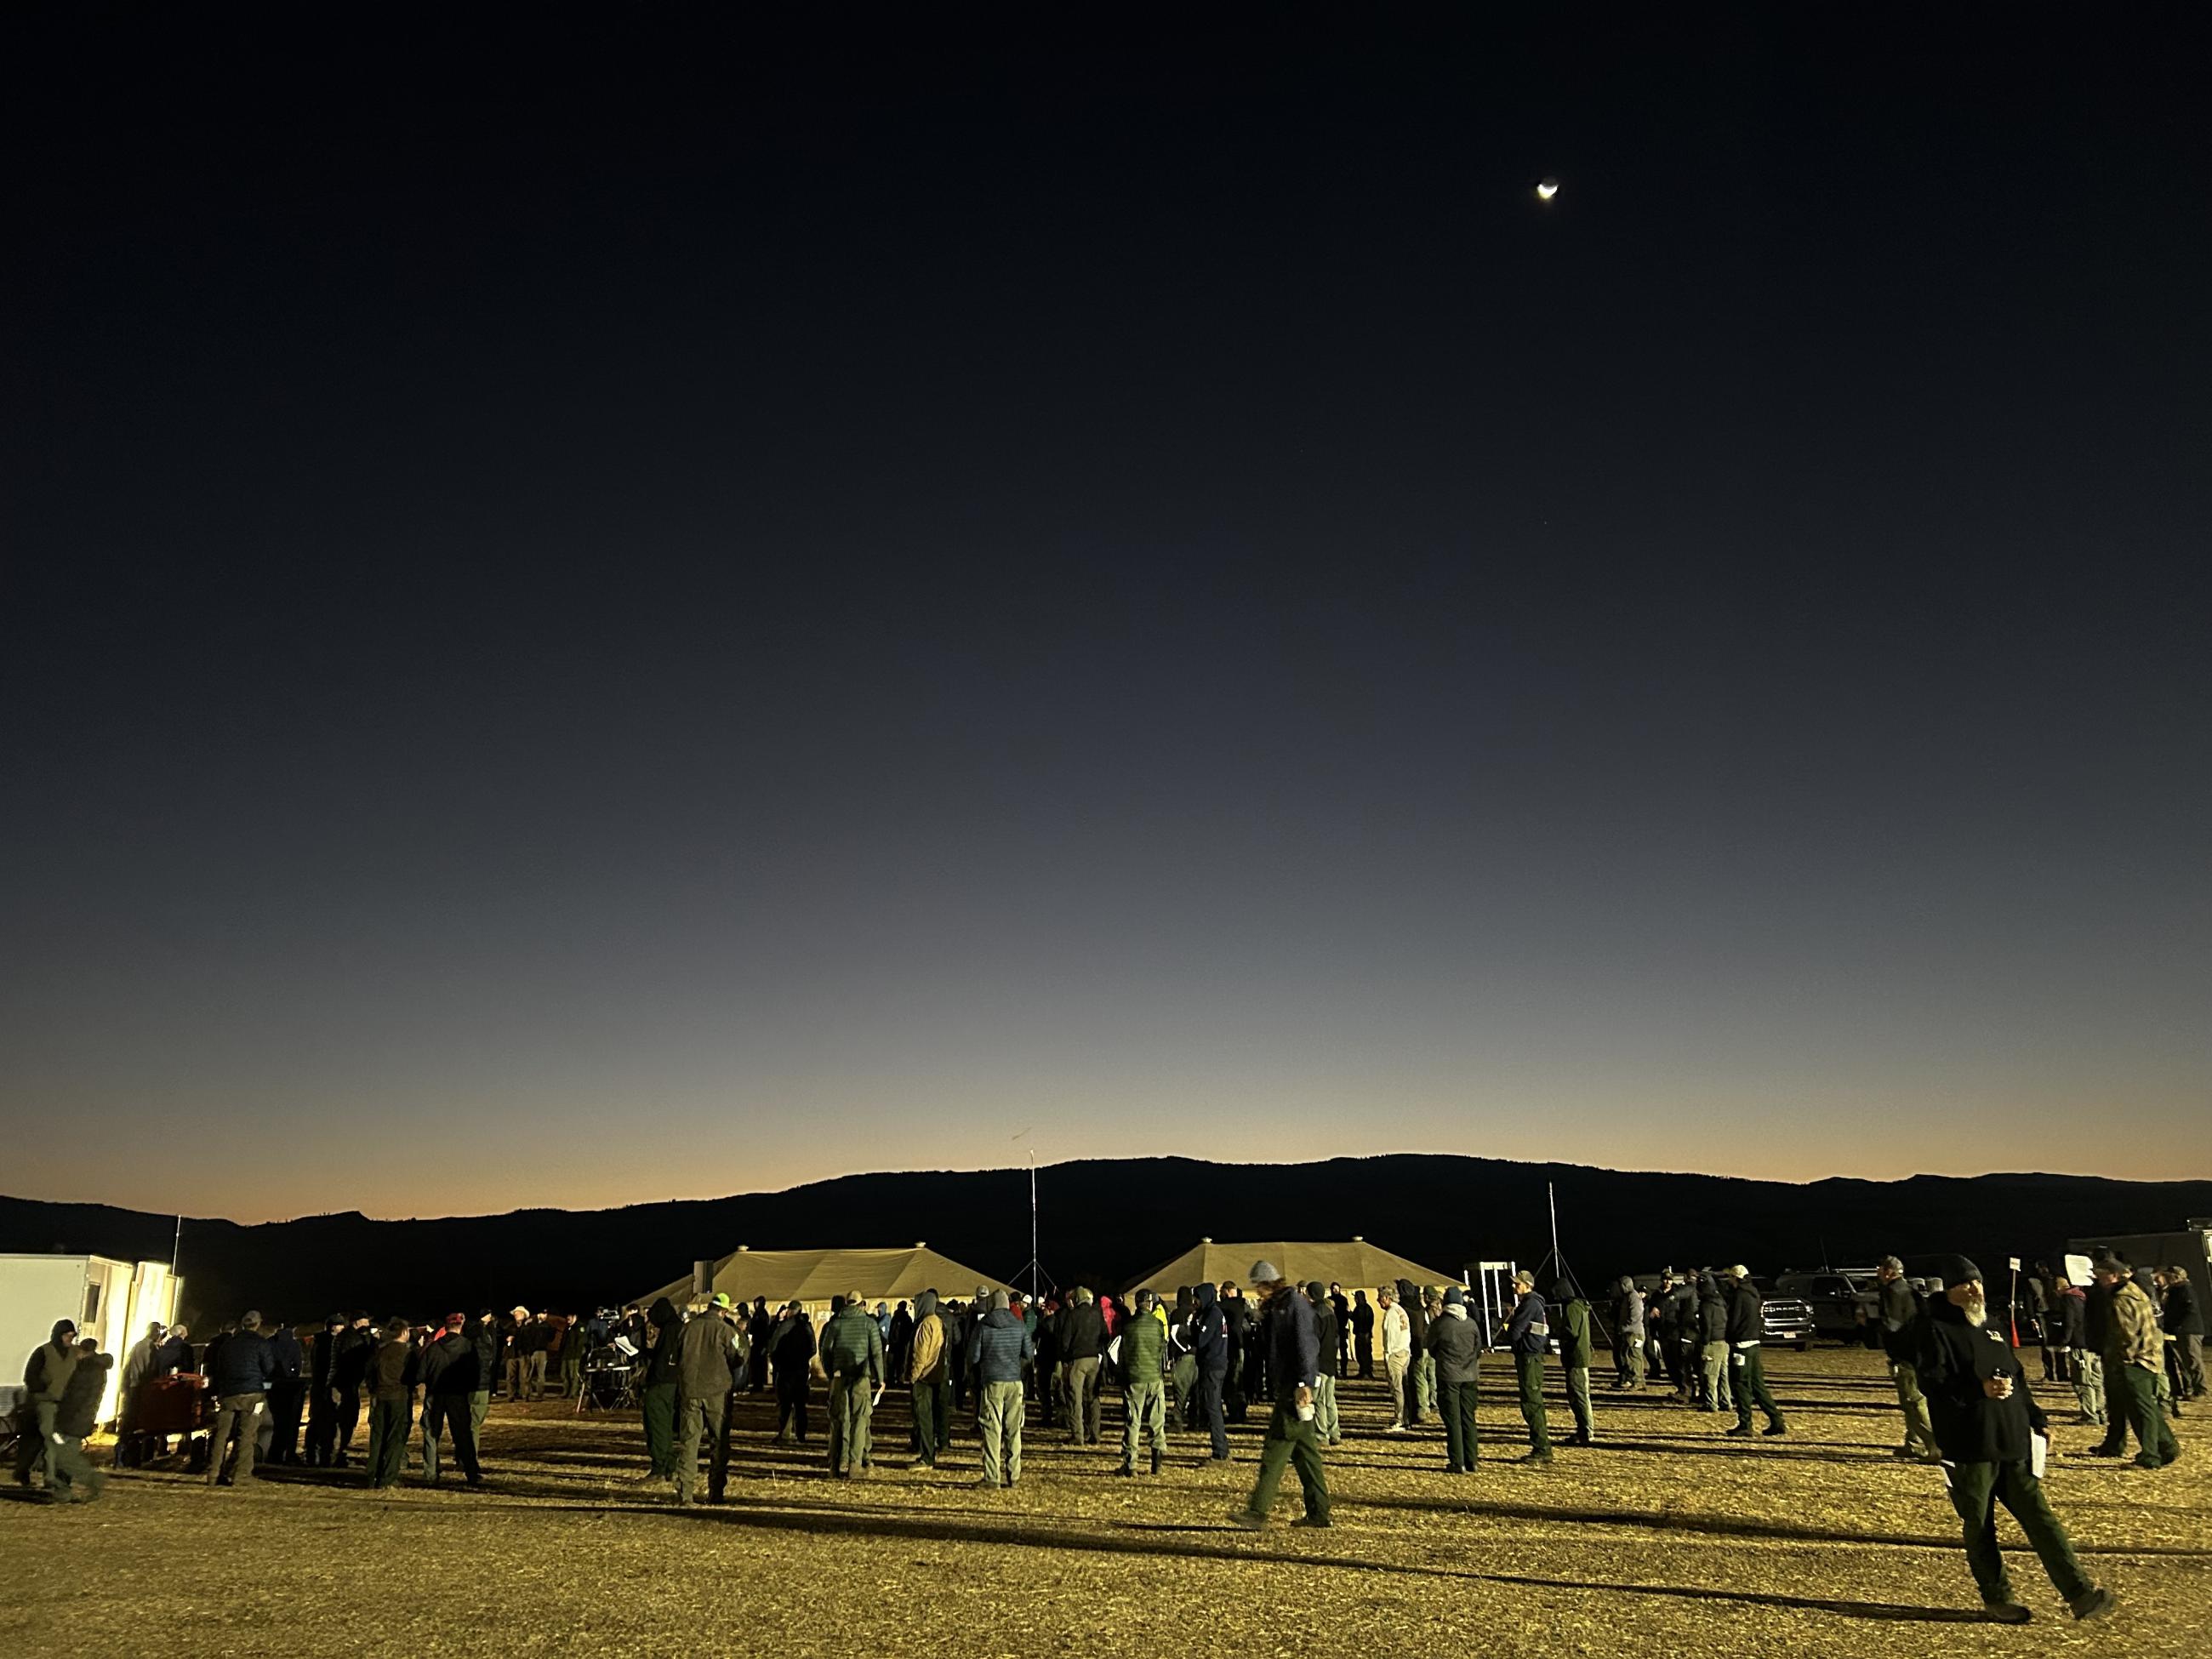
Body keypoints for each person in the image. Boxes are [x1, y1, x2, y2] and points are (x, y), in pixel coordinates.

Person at [1913, 1255, 2116, 1624]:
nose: (1975, 1289)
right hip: (1969, 1446)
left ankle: (2080, 1594)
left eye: (1977, 1282)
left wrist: (2037, 1419)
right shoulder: (1933, 1328)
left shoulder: (1990, 1325)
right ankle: (1997, 1597)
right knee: (1980, 1525)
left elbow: (2017, 1377)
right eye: (1965, 1284)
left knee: (2041, 1518)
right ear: (1950, 1289)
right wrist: (1978, 1389)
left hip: (2012, 1440)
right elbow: (1931, 1382)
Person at [1228, 1262, 1329, 1530]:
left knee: (1275, 1448)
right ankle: (1319, 1512)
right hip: (1289, 1386)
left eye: (1259, 1286)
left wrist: (1305, 1383)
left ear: (1270, 1283)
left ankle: (1257, 1511)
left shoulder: (1294, 1305)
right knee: (1306, 1454)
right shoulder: (1278, 1306)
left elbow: (1306, 1344)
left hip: (1294, 1388)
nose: (1258, 1292)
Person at [2087, 1257, 2180, 1468]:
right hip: (2147, 1358)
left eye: (2102, 1276)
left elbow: (2126, 1335)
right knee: (2142, 1407)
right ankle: (2166, 1447)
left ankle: (2151, 1456)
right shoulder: (2135, 1291)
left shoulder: (2121, 1299)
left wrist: (2125, 1362)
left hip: (2135, 1361)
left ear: (2114, 1275)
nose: (2099, 1280)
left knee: (2142, 1411)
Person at [675, 1293, 742, 1504]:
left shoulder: (688, 1328)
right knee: (719, 1441)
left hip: (690, 1391)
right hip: (717, 1392)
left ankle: (685, 1493)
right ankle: (715, 1492)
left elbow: (676, 1356)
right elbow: (739, 1356)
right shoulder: (725, 1330)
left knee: (689, 1441)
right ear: (722, 1311)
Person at [968, 1290, 1034, 1490]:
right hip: (1014, 1382)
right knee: (1014, 1430)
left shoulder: (983, 1326)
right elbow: (1028, 1354)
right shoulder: (1019, 1325)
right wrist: (1015, 1365)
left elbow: (973, 1357)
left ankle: (992, 1476)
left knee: (991, 1429)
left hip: (992, 1382)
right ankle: (1014, 1475)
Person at [1876, 1257, 1940, 1461]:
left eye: (1880, 1269)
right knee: (1913, 1399)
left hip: (1906, 1354)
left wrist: (1870, 1325)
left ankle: (1936, 1446)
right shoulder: (1910, 1290)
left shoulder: (1893, 1292)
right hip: (1918, 1352)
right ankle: (1913, 1443)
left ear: (1888, 1272)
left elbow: (1892, 1324)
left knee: (1913, 1401)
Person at [205, 1309, 277, 1486]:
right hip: (252, 1394)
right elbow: (269, 1368)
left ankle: (213, 1473)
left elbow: (219, 1368)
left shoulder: (228, 1344)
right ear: (258, 1324)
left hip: (228, 1394)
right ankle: (241, 1474)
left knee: (221, 1435)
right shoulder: (261, 1343)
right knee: (247, 1434)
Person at [819, 1287, 886, 1478]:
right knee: (859, 1420)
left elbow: (825, 1350)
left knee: (839, 1420)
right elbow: (876, 1353)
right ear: (861, 1304)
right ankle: (855, 1464)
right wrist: (880, 1378)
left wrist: (830, 1372)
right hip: (860, 1377)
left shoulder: (836, 1324)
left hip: (839, 1377)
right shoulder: (869, 1324)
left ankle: (834, 1465)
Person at [1720, 1266, 1787, 1438]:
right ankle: (1776, 1420)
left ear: (1736, 1278)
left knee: (1740, 1384)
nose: (1728, 1280)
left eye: (1730, 1277)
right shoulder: (1753, 1293)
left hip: (1741, 1345)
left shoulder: (1739, 1296)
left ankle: (1745, 1424)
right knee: (1758, 1385)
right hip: (1754, 1344)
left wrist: (1729, 1337)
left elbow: (1734, 1321)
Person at [13, 1320, 80, 1490]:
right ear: (59, 1335)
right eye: (67, 1335)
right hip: (44, 1403)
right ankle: (49, 1476)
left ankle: (54, 1475)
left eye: (72, 1336)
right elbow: (31, 1375)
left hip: (64, 1404)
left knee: (56, 1440)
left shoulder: (74, 1353)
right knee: (50, 1440)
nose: (69, 1339)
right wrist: (42, 1388)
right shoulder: (43, 1352)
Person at [418, 1314, 484, 1485]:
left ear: (445, 1327)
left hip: (436, 1395)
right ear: (460, 1327)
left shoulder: (433, 1348)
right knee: (462, 1433)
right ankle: (471, 1472)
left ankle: (431, 1473)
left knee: (431, 1433)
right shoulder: (467, 1347)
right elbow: (475, 1373)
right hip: (457, 1395)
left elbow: (420, 1374)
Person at [42, 1339, 109, 1504]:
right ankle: (63, 1490)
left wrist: (61, 1417)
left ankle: (90, 1479)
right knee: (63, 1453)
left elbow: (75, 1398)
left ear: (83, 1351)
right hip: (80, 1420)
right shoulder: (96, 1369)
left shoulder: (86, 1370)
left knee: (63, 1455)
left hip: (72, 1421)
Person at [1115, 1286, 1172, 1476]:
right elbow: (1161, 1347)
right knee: (1157, 1421)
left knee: (1134, 1421)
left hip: (1135, 1378)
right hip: (1154, 1377)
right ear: (1150, 1303)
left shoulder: (1129, 1325)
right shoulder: (1156, 1324)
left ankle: (1131, 1465)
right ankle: (1157, 1464)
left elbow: (1122, 1353)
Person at [1429, 1284, 1483, 1472]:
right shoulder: (1471, 1323)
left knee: (1453, 1420)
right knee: (1469, 1417)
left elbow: (1432, 1347)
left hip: (1448, 1375)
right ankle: (1472, 1460)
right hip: (1470, 1376)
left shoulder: (1440, 1324)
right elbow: (1478, 1349)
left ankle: (1457, 1461)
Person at [1502, 1271, 1552, 1465]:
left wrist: (1514, 1340)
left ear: (1527, 1285)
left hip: (1529, 1358)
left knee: (1531, 1403)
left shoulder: (1530, 1304)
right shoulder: (1534, 1303)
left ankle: (1542, 1447)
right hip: (1532, 1356)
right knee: (1532, 1401)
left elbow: (1515, 1331)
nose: (1514, 1288)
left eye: (1518, 1284)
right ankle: (1540, 1446)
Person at [365, 1319, 416, 1490]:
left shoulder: (380, 1351)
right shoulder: (407, 1353)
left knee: (377, 1437)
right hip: (399, 1397)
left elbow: (369, 1372)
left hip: (380, 1397)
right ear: (404, 1333)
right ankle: (388, 1477)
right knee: (395, 1437)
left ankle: (372, 1476)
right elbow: (414, 1375)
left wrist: (374, 1389)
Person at [638, 1297, 681, 1479]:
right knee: (665, 1426)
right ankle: (669, 1466)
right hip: (672, 1383)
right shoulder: (675, 1328)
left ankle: (659, 1466)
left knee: (656, 1425)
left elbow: (663, 1359)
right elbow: (662, 1354)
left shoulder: (670, 1330)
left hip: (661, 1383)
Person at [907, 1291, 951, 1468]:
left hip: (924, 1377)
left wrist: (913, 1376)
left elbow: (921, 1354)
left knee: (923, 1417)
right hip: (937, 1376)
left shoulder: (925, 1324)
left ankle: (927, 1456)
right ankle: (934, 1448)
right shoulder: (939, 1322)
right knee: (936, 1414)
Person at [1189, 1280, 1231, 1460]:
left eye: (1197, 1298)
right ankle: (1221, 1446)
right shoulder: (1214, 1313)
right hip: (1217, 1364)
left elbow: (1200, 1340)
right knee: (1213, 1407)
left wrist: (1192, 1327)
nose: (1194, 1302)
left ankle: (1220, 1451)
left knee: (1213, 1408)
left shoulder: (1212, 1315)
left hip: (1213, 1365)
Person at [1058, 1286, 1106, 1445]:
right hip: (1094, 1360)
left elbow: (1065, 1342)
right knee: (1093, 1398)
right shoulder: (1097, 1314)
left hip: (1077, 1361)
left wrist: (1065, 1359)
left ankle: (1078, 1435)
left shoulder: (1072, 1316)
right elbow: (1105, 1335)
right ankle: (1095, 1434)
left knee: (1075, 1398)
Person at [2054, 1274, 2102, 1425]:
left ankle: (2090, 1415)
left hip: (2079, 1345)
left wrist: (2064, 1341)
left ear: (2058, 1289)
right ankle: (2101, 1412)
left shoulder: (2068, 1299)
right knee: (2096, 1380)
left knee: (2083, 1381)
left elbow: (2069, 1322)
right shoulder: (2084, 1297)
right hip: (2092, 1344)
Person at [1555, 1280, 1596, 1446]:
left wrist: (1557, 1332)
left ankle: (1586, 1431)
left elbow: (1570, 1331)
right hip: (1580, 1355)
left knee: (1578, 1395)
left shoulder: (1572, 1307)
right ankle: (1584, 1429)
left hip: (1576, 1357)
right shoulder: (1580, 1307)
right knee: (1580, 1395)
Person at [305, 1312, 349, 1467]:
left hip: (318, 1386)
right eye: (341, 1325)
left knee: (316, 1420)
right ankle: (326, 1456)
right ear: (334, 1327)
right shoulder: (332, 1343)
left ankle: (312, 1454)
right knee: (329, 1422)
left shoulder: (317, 1342)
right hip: (328, 1386)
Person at [771, 1303, 816, 1444]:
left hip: (786, 1369)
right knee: (800, 1404)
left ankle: (784, 1434)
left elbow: (774, 1345)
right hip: (801, 1369)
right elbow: (813, 1348)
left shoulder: (785, 1326)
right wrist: (803, 1358)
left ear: (792, 1311)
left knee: (785, 1404)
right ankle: (801, 1435)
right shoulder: (807, 1327)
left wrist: (777, 1360)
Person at [264, 1317, 305, 1465]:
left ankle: (273, 1453)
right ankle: (287, 1454)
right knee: (290, 1421)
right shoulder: (294, 1344)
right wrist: (293, 1374)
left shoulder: (269, 1342)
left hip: (273, 1385)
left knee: (277, 1420)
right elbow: (298, 1364)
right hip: (290, 1385)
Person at [1306, 1281, 1342, 1447]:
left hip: (1319, 1364)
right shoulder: (1330, 1313)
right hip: (1331, 1362)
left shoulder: (1314, 1314)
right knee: (1330, 1400)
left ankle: (1321, 1435)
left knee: (1318, 1400)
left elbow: (1313, 1341)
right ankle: (1335, 1432)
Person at [2162, 1266, 2205, 1401]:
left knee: (2193, 1360)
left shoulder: (2184, 1290)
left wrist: (2179, 1325)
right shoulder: (2176, 1290)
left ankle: (2201, 1390)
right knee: (2186, 1362)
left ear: (2176, 1277)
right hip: (2183, 1330)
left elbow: (2190, 1309)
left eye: (2169, 1276)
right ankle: (2194, 1388)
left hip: (2189, 1330)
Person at [1696, 1272, 1731, 1414]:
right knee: (1724, 1375)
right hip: (1724, 1341)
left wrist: (1704, 1342)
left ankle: (1711, 1403)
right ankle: (1726, 1401)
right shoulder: (1720, 1301)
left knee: (1710, 1375)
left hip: (1712, 1342)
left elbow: (1706, 1326)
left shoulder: (1706, 1305)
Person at [1378, 1285, 1412, 1433]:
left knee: (1397, 1388)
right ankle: (1406, 1417)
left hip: (1395, 1354)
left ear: (1387, 1298)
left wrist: (1387, 1356)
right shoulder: (1401, 1310)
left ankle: (1400, 1420)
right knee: (1404, 1387)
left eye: (1380, 1298)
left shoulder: (1391, 1314)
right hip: (1404, 1351)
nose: (1378, 1301)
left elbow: (1390, 1338)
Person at [1611, 1277, 1645, 1388]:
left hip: (1634, 1332)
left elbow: (1636, 1315)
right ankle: (1627, 1379)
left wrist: (1625, 1327)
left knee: (1634, 1357)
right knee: (1625, 1357)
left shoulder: (1634, 1297)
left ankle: (1638, 1381)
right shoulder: (1625, 1298)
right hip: (1627, 1332)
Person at [1350, 1290, 1374, 1379]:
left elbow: (1356, 1319)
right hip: (1365, 1334)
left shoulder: (1361, 1308)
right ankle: (1366, 1371)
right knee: (1366, 1354)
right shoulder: (1368, 1308)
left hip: (1362, 1334)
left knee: (1362, 1354)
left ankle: (1365, 1371)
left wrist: (1349, 1313)